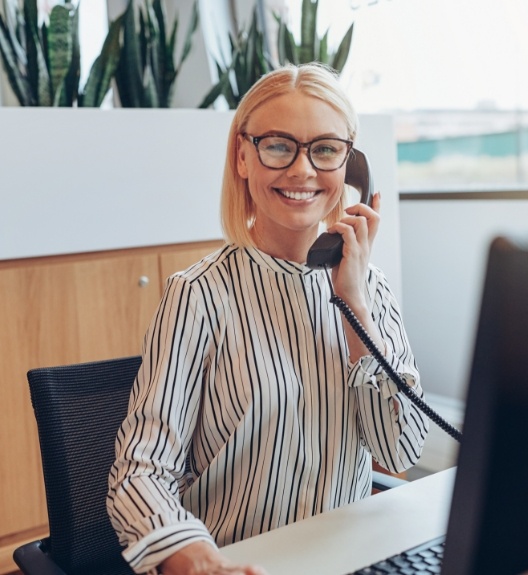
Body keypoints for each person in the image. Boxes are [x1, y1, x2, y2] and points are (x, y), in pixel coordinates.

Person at [108, 63, 429, 575]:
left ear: (352, 164)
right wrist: (192, 557)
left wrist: (354, 309)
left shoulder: (370, 287)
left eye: (325, 149)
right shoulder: (199, 294)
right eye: (279, 145)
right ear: (242, 156)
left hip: (346, 555)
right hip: (237, 562)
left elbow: (401, 447)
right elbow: (140, 470)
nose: (303, 171)